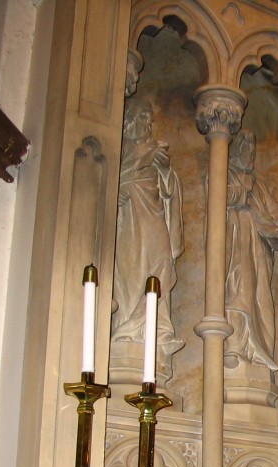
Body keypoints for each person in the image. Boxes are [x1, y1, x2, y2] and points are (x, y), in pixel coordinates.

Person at [112, 98, 184, 356]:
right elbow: (109, 178)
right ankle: (127, 327)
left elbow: (167, 188)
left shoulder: (153, 147)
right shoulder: (118, 148)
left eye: (148, 119)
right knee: (131, 273)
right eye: (142, 118)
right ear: (129, 121)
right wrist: (117, 190)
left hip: (153, 217)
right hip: (128, 222)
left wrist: (164, 170)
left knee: (162, 262)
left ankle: (159, 328)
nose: (147, 124)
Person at [224, 129, 278, 371]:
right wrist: (244, 192)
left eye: (254, 150)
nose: (251, 154)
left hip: (260, 253)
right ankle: (235, 346)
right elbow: (223, 196)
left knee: (260, 298)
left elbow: (277, 212)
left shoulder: (259, 186)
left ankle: (257, 352)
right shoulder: (225, 174)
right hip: (237, 247)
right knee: (239, 291)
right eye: (247, 149)